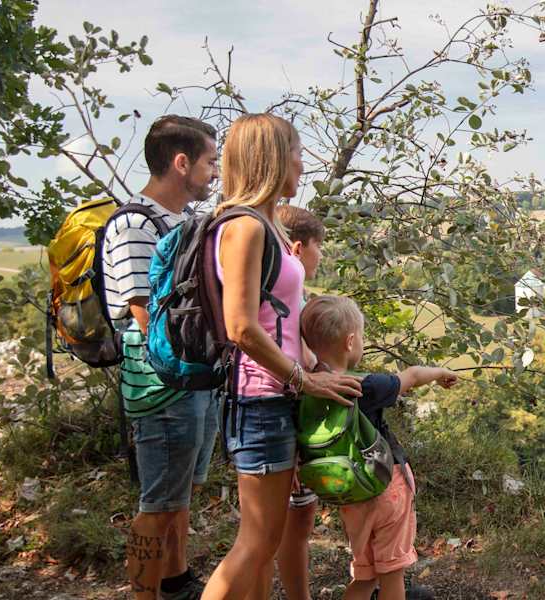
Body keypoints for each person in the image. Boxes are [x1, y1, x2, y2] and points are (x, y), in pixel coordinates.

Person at [200, 114, 362, 600]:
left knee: (267, 540)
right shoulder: (245, 228)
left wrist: (314, 369)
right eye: (295, 150)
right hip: (260, 400)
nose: (303, 161)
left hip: (276, 397)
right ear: (270, 158)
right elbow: (241, 326)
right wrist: (304, 379)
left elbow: (281, 317)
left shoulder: (266, 224)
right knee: (257, 541)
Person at [104, 115, 219, 600]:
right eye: (209, 162)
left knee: (180, 495)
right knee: (158, 502)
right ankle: (144, 593)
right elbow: (144, 314)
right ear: (181, 162)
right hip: (161, 385)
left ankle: (175, 581)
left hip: (193, 380)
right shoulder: (135, 223)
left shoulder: (180, 221)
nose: (213, 173)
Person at [298, 294, 458, 600]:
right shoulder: (366, 385)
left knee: (365, 576)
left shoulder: (308, 388)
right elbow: (410, 376)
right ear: (349, 342)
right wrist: (439, 374)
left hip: (348, 493)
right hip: (387, 487)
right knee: (391, 575)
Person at [269, 204, 327, 600]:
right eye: (319, 247)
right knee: (289, 526)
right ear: (298, 247)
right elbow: (300, 359)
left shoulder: (279, 290)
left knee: (288, 525)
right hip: (285, 414)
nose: (321, 256)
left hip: (285, 413)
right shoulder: (288, 296)